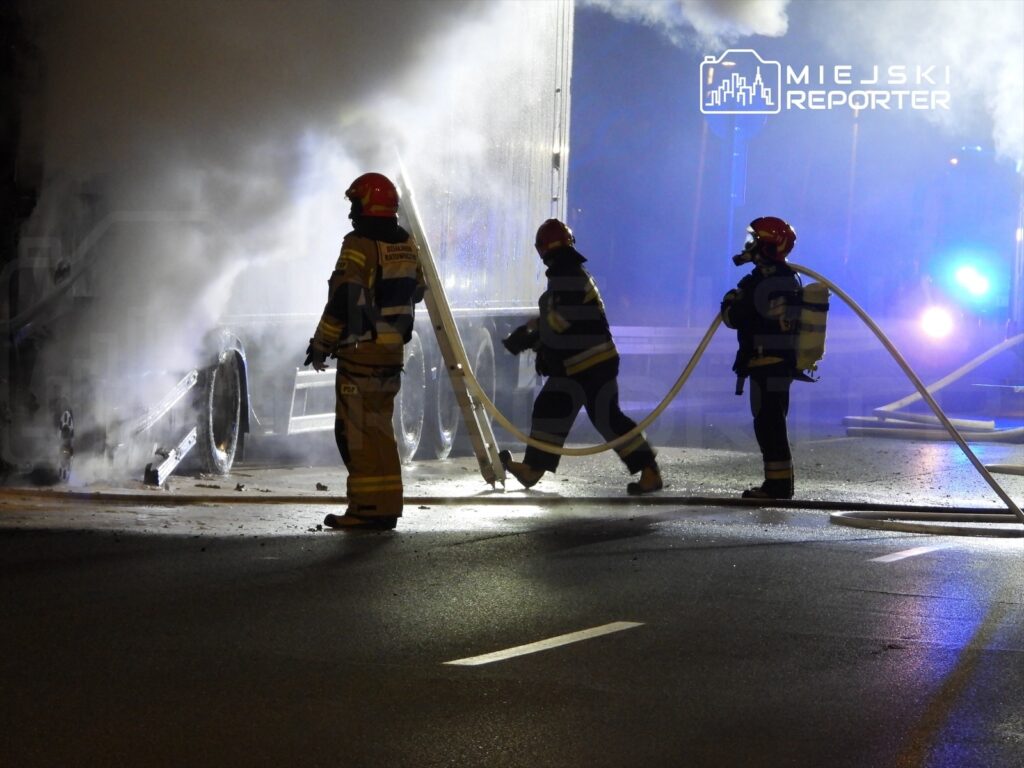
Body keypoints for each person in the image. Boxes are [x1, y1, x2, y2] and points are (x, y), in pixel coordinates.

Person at [498, 218, 662, 495]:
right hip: (582, 365)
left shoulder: (567, 275)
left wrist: (529, 339)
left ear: (542, 249)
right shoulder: (569, 273)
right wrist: (532, 334)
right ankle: (533, 468)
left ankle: (649, 471)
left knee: (605, 418)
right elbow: (556, 318)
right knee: (553, 409)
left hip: (590, 365)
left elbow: (559, 322)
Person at [304, 172, 425, 530]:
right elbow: (418, 290)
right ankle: (385, 506)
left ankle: (367, 509)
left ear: (367, 206)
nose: (351, 213)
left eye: (355, 204)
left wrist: (321, 343)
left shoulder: (359, 245)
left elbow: (344, 298)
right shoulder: (407, 243)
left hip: (362, 352)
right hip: (392, 354)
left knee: (356, 435)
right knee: (379, 432)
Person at [720, 216, 802, 500]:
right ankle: (780, 484)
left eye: (753, 240)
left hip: (765, 363)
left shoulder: (760, 282)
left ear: (767, 246)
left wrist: (729, 300)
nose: (748, 246)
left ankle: (778, 487)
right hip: (781, 363)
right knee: (773, 422)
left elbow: (733, 317)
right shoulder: (789, 278)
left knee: (768, 424)